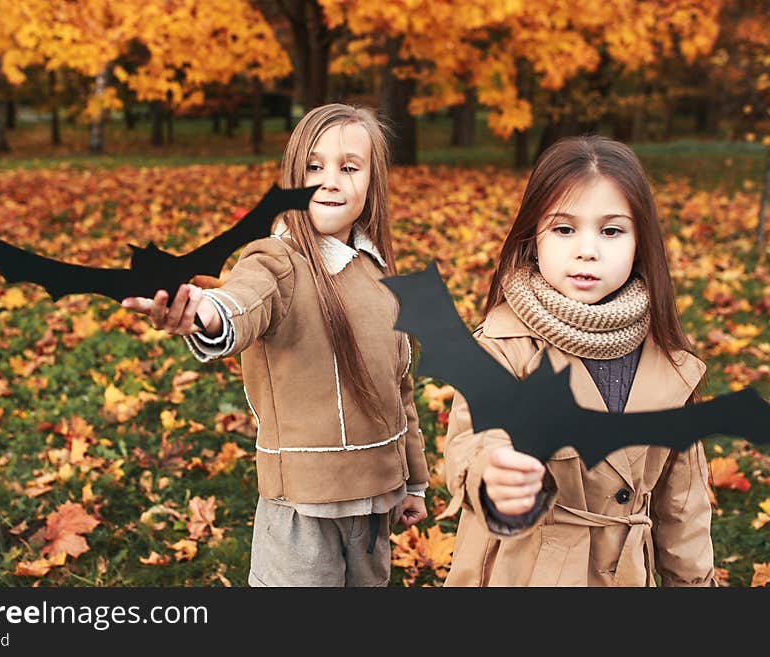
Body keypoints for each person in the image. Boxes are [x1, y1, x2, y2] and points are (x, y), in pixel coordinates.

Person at [122, 103, 429, 587]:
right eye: (313, 166)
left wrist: (413, 481)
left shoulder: (381, 277)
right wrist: (202, 311)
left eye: (349, 168)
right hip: (301, 509)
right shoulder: (275, 261)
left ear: (372, 183)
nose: (329, 180)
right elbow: (241, 303)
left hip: (375, 504)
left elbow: (400, 390)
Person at [439, 135, 715, 587]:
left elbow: (682, 508)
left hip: (624, 575)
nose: (588, 250)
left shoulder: (669, 362)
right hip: (524, 572)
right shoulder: (503, 346)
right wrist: (493, 474)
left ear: (640, 242)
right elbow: (474, 439)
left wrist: (695, 584)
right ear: (533, 239)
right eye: (564, 229)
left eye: (611, 230)